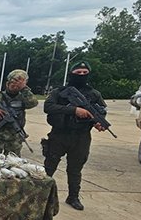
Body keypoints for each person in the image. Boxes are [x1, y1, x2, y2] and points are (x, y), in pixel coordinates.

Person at [43, 61, 109, 211]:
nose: (81, 76)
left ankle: (73, 196)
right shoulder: (59, 92)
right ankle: (42, 194)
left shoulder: (94, 94)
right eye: (78, 73)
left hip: (81, 137)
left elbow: (101, 112)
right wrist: (74, 110)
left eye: (84, 73)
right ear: (71, 74)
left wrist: (97, 123)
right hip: (59, 134)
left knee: (75, 169)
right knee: (49, 166)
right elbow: (48, 107)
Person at [0, 69, 38, 155]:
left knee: (13, 160)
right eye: (12, 84)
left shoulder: (23, 97)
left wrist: (24, 89)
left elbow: (33, 103)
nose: (15, 86)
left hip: (14, 134)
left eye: (18, 85)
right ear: (7, 84)